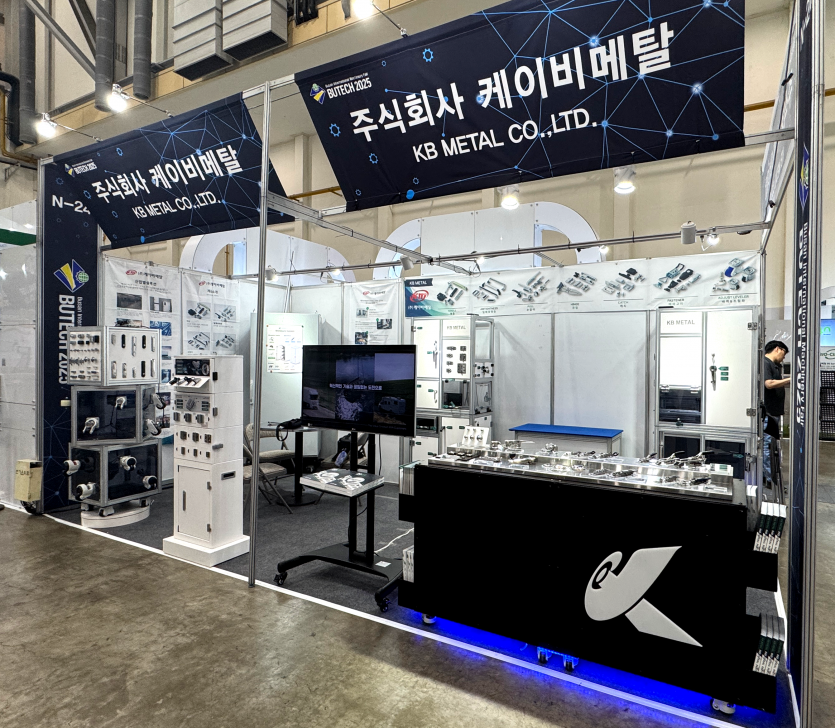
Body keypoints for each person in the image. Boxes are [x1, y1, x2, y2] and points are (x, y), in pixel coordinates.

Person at [763, 340, 791, 488]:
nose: (783, 357)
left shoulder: (774, 365)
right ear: (778, 349)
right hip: (768, 413)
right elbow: (768, 384)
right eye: (784, 353)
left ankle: (770, 477)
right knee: (768, 447)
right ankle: (770, 480)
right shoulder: (765, 363)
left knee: (771, 446)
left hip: (773, 413)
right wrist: (790, 379)